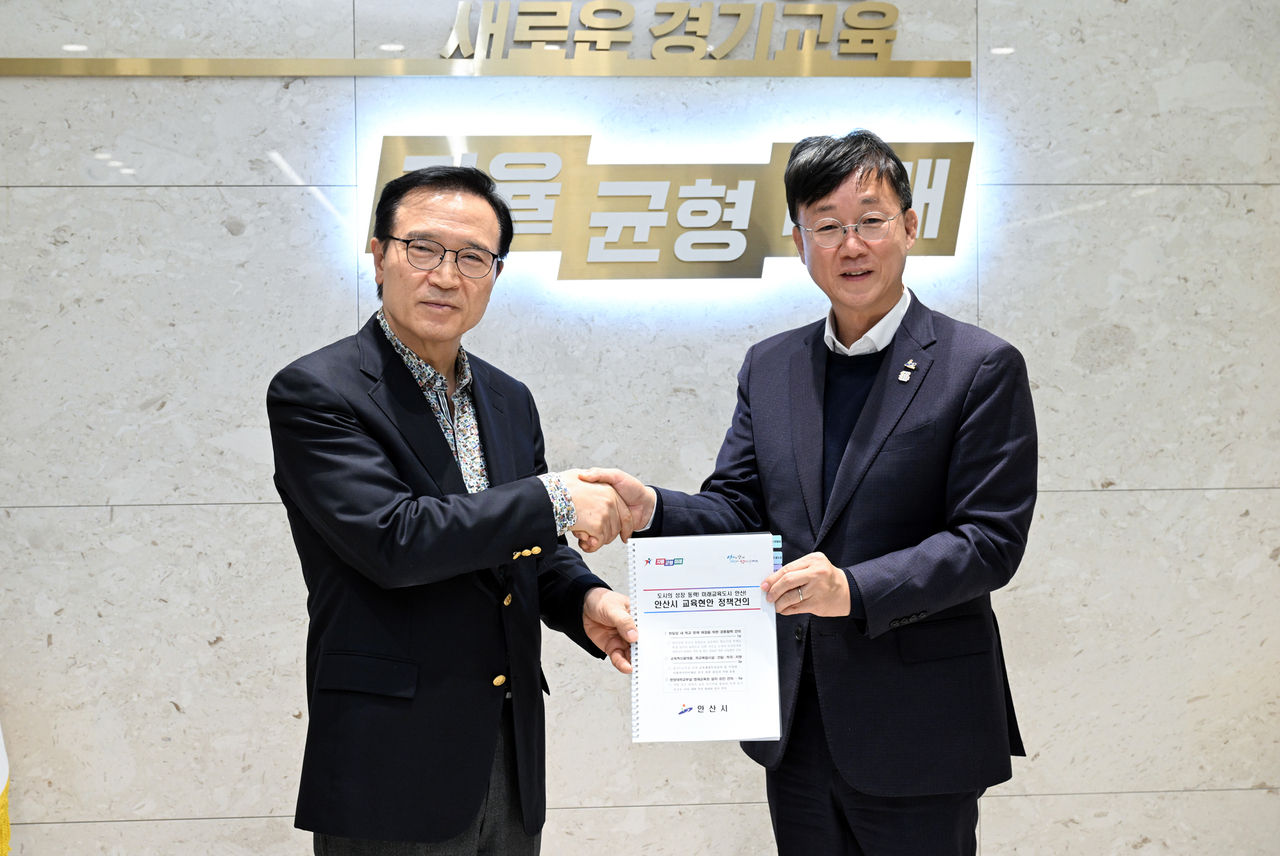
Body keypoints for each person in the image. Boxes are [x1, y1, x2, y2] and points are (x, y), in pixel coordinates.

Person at [584, 130, 1037, 855]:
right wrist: (655, 509)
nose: (850, 245)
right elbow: (739, 508)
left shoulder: (978, 366)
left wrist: (851, 589)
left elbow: (988, 542)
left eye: (870, 220)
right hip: (794, 720)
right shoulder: (771, 366)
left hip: (920, 725)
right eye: (826, 226)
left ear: (910, 226)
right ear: (799, 242)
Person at [267, 165, 638, 855]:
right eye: (423, 248)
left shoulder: (508, 398)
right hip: (389, 761)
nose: (445, 276)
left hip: (509, 750)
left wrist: (584, 600)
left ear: (495, 274)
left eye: (472, 257)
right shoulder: (316, 392)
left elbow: (528, 548)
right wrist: (557, 496)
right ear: (378, 255)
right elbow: (395, 539)